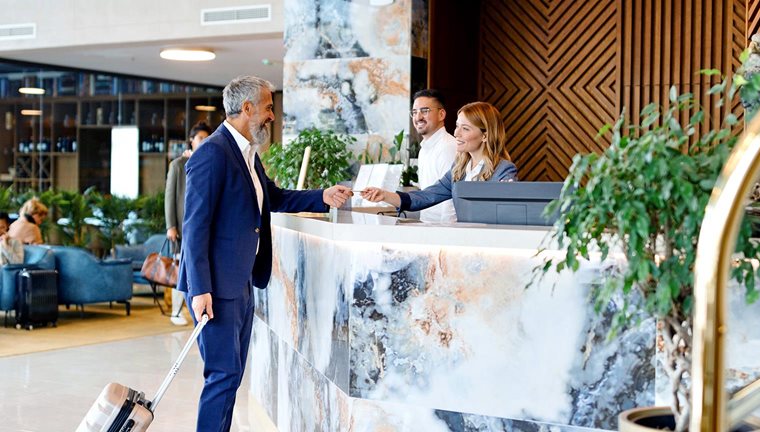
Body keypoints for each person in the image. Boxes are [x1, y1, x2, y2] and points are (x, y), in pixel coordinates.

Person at [177, 75, 353, 432]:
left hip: (240, 282)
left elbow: (273, 197)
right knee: (222, 376)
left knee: (231, 376)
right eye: (268, 107)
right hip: (215, 288)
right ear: (247, 108)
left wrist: (322, 196)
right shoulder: (212, 153)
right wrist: (200, 290)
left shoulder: (246, 153)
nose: (272, 115)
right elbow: (194, 228)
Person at [362, 101, 518, 213]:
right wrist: (385, 195)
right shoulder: (459, 169)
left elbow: (507, 212)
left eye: (465, 128)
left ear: (485, 136)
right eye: (457, 126)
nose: (456, 133)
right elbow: (426, 196)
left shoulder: (504, 170)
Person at [165, 121, 212, 326]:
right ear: (191, 140)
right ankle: (176, 311)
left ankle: (191, 309)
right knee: (180, 269)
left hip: (202, 228)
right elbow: (170, 196)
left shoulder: (210, 162)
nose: (203, 142)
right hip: (182, 228)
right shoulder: (178, 165)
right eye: (200, 138)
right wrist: (171, 226)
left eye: (206, 138)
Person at [411, 89, 458, 222]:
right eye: (414, 112)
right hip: (427, 226)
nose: (418, 117)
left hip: (442, 228)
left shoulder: (448, 146)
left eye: (424, 111)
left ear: (441, 114)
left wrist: (447, 231)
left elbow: (451, 197)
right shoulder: (424, 149)